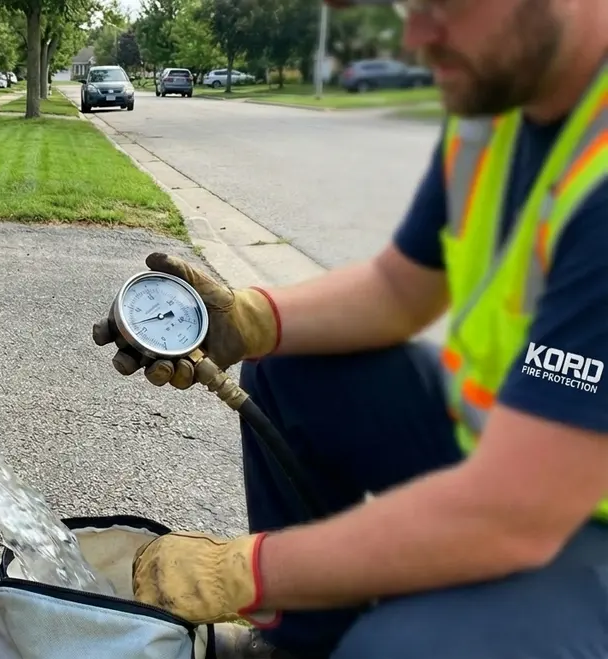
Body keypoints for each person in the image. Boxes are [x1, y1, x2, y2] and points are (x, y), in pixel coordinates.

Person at [92, 0, 608, 657]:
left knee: (391, 648)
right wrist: (248, 321)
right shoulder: (501, 113)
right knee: (290, 362)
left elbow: (516, 512)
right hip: (507, 446)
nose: (417, 38)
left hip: (570, 517)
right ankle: (302, 641)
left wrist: (244, 571)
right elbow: (401, 288)